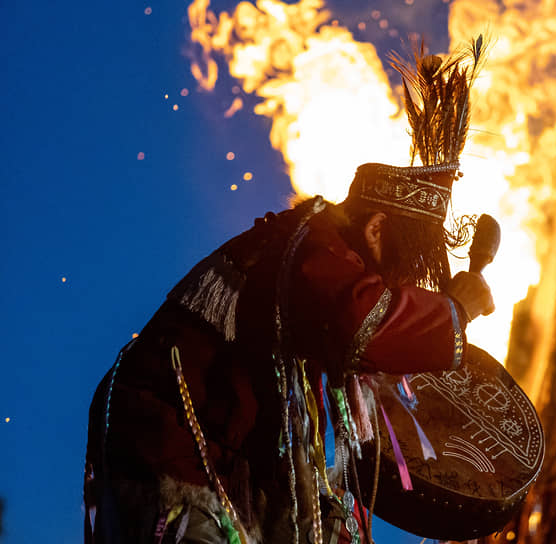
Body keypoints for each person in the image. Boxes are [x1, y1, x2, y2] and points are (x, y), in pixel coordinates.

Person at [84, 38, 492, 544]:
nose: (403, 284)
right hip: (173, 447)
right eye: (405, 266)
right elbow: (364, 320)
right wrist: (456, 310)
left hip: (227, 457)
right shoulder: (313, 246)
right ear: (377, 231)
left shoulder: (315, 260)